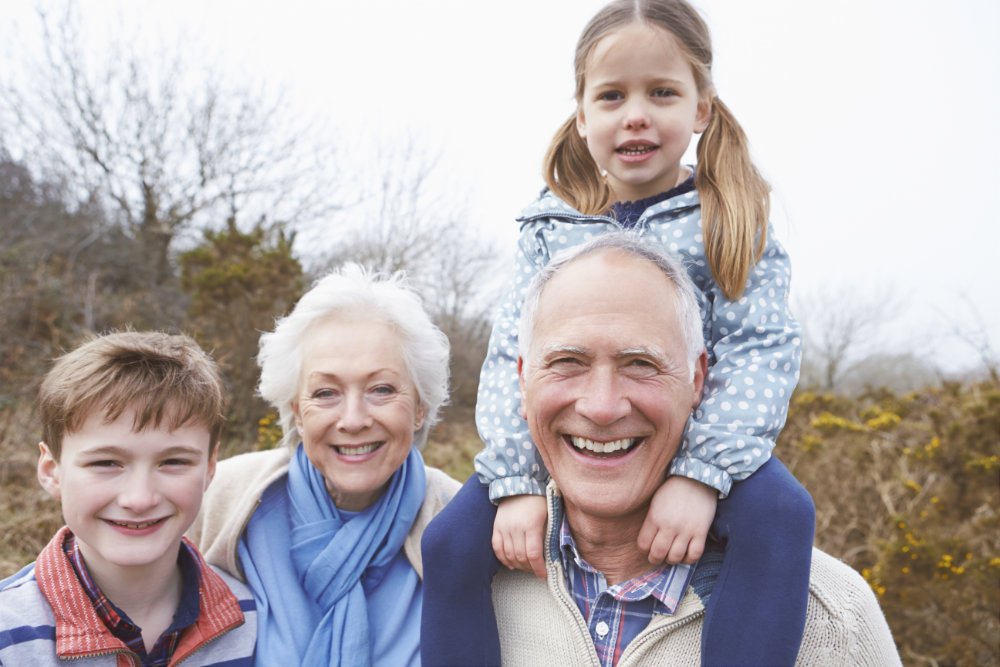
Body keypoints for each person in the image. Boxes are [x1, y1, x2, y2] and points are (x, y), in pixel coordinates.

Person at [422, 1, 815, 665]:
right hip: (574, 444)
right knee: (448, 545)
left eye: (662, 92)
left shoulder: (729, 218)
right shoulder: (550, 224)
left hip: (705, 440)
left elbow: (759, 352)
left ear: (701, 109)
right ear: (581, 115)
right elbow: (512, 358)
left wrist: (701, 474)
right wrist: (517, 477)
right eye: (612, 95)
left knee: (783, 515)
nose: (636, 113)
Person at [489, 232, 901, 665]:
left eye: (640, 364)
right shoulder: (471, 590)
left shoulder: (833, 619)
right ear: (521, 381)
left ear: (698, 381)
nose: (602, 407)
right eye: (567, 362)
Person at [188, 263, 461, 667]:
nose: (353, 419)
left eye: (381, 389)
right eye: (326, 392)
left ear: (420, 407)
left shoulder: (460, 518)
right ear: (297, 412)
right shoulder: (218, 498)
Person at [0, 331, 257, 667]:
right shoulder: (8, 634)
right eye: (105, 463)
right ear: (52, 471)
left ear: (210, 468)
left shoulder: (252, 619)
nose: (139, 499)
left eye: (174, 462)